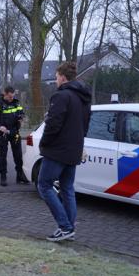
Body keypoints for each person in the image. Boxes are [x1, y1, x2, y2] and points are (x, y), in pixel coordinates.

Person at [38, 62, 91, 242]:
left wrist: (44, 143)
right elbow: (85, 126)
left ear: (62, 76)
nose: (55, 80)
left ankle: (65, 226)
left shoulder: (61, 96)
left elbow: (53, 125)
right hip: (73, 150)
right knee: (67, 188)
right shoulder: (83, 97)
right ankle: (69, 228)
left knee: (44, 185)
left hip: (57, 151)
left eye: (56, 76)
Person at [0, 86, 29, 186]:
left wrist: (21, 118)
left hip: (14, 132)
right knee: (3, 156)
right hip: (3, 133)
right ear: (4, 94)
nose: (12, 98)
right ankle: (3, 176)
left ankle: (20, 176)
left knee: (18, 155)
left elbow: (21, 113)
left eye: (13, 96)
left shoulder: (16, 102)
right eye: (10, 97)